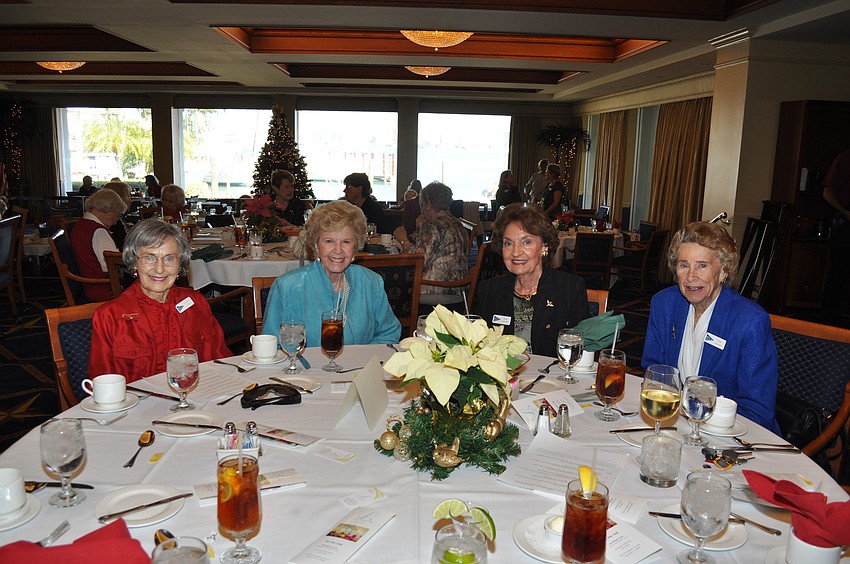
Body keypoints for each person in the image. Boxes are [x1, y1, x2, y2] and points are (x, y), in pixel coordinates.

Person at [641, 221, 780, 432]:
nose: (690, 276)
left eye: (702, 265)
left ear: (723, 270)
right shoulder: (664, 305)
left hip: (729, 436)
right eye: (684, 265)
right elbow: (653, 374)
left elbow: (757, 411)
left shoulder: (749, 321)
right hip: (676, 426)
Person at [88, 219, 231, 382]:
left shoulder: (196, 303)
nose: (160, 269)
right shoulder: (110, 317)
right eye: (149, 257)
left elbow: (220, 362)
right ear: (135, 262)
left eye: (169, 258)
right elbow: (103, 386)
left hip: (196, 400)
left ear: (180, 265)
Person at [262, 200, 400, 346]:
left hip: (360, 367)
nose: (338, 250)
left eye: (346, 241)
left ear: (355, 247)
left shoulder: (371, 282)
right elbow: (272, 346)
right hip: (306, 368)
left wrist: (366, 362)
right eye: (329, 241)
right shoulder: (288, 287)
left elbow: (388, 333)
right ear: (316, 246)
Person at [472, 203, 589, 357]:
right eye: (508, 243)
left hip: (551, 378)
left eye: (526, 242)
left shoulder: (569, 289)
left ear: (544, 247)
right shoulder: (488, 290)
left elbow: (582, 353)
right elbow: (477, 349)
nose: (515, 252)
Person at [394, 181, 468, 299]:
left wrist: (403, 240)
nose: (421, 209)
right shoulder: (458, 224)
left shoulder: (434, 225)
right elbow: (433, 248)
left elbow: (418, 260)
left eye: (421, 204)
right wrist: (420, 228)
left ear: (428, 204)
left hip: (436, 289)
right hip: (459, 289)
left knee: (392, 285)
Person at [69, 188, 127, 302]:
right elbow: (112, 265)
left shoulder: (80, 225)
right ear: (109, 211)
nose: (116, 221)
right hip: (104, 289)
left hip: (88, 286)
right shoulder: (98, 231)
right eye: (118, 215)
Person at [821, 148, 850, 324]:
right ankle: (829, 322)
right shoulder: (845, 158)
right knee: (838, 274)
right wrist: (845, 212)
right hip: (846, 225)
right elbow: (827, 192)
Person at [101, 180, 132, 249]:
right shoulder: (113, 221)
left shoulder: (119, 217)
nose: (131, 200)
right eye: (128, 195)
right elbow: (122, 244)